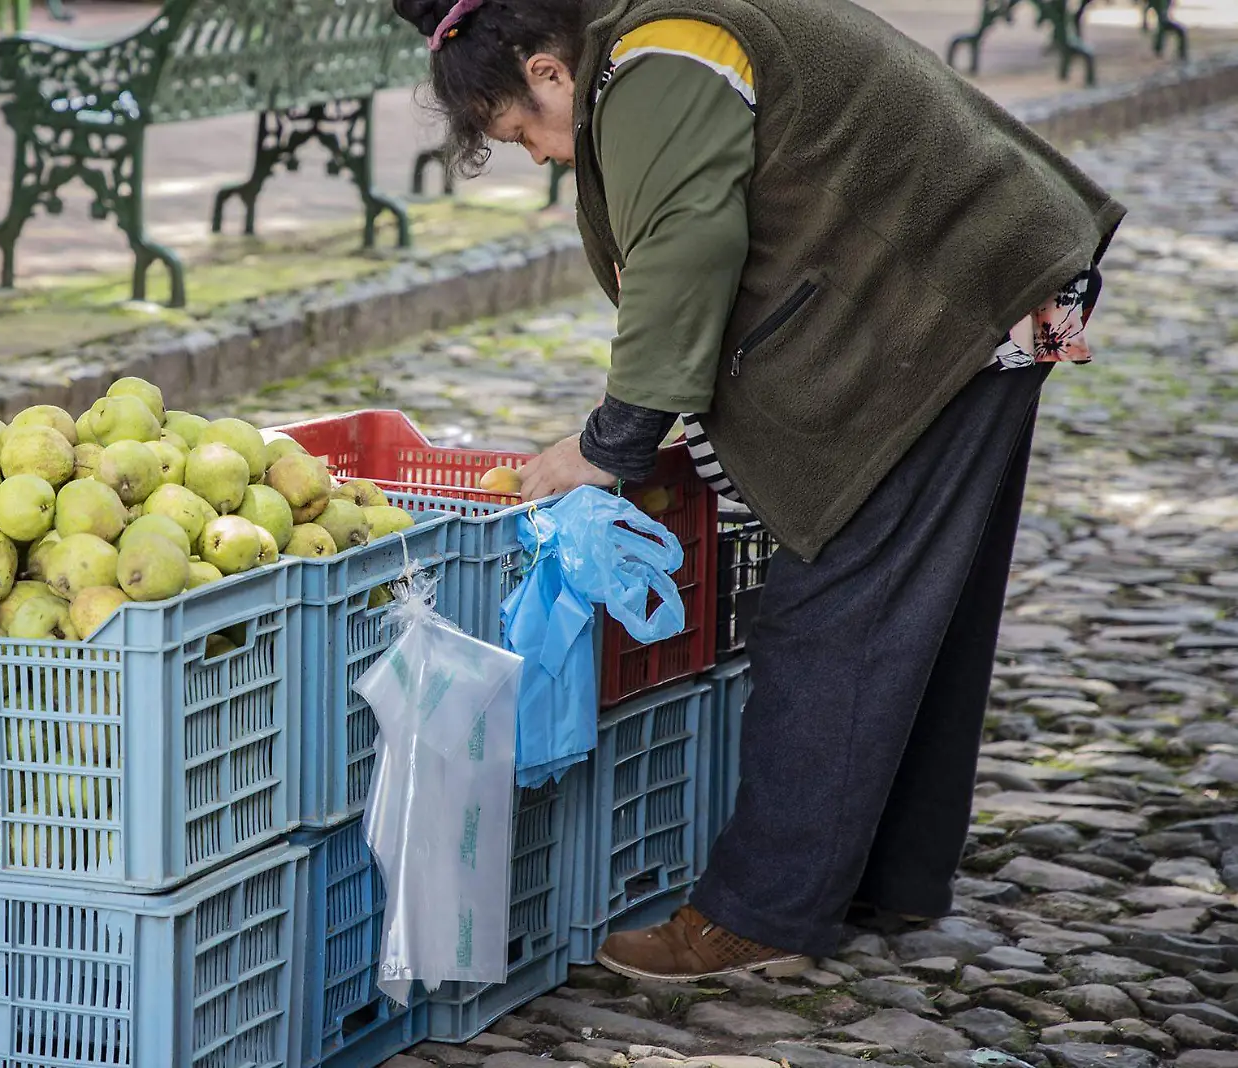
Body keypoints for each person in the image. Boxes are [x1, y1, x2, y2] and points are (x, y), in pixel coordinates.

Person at [391, 0, 1123, 980]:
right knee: (922, 600)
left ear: (546, 72)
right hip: (988, 275)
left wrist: (613, 442)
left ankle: (766, 910)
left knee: (830, 608)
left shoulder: (658, 54)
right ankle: (886, 877)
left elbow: (685, 249)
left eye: (519, 128)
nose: (535, 155)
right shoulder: (638, 48)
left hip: (958, 294)